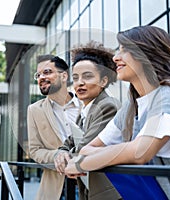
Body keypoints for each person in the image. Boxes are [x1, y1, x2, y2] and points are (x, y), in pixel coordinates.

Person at [64, 26, 170, 199]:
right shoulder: (131, 106)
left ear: (147, 53)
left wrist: (83, 164)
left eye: (124, 50)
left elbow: (141, 151)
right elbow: (88, 149)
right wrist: (98, 156)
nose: (116, 57)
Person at [54, 41, 122, 200]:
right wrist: (61, 152)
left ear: (103, 81)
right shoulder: (86, 110)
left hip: (109, 193)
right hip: (90, 187)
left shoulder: (107, 107)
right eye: (75, 78)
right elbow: (70, 142)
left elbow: (84, 147)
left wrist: (66, 156)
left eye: (88, 76)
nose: (80, 83)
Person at [27, 55, 81, 200]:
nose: (41, 77)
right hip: (57, 187)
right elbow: (35, 150)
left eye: (47, 72)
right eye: (38, 75)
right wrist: (57, 155)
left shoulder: (87, 105)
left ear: (64, 76)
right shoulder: (34, 110)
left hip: (90, 183)